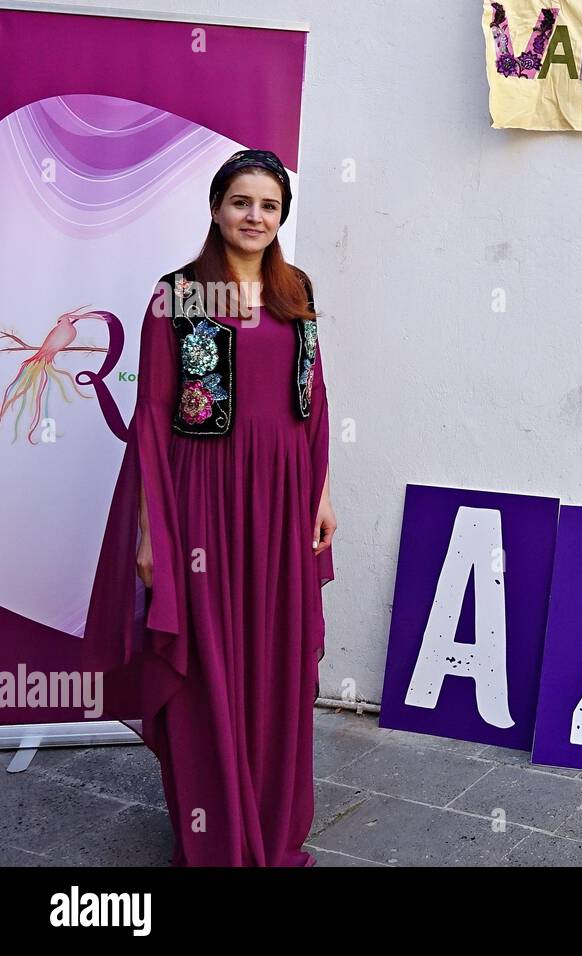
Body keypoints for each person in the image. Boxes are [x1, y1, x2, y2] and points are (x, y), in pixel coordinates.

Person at [83, 149, 337, 866]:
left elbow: (314, 399)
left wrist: (321, 494)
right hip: (205, 505)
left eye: (268, 205)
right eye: (241, 202)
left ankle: (271, 818)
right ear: (216, 208)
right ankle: (215, 828)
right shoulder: (180, 293)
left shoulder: (297, 290)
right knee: (211, 659)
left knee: (279, 658)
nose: (254, 216)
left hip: (285, 500)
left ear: (281, 217)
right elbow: (155, 413)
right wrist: (151, 533)